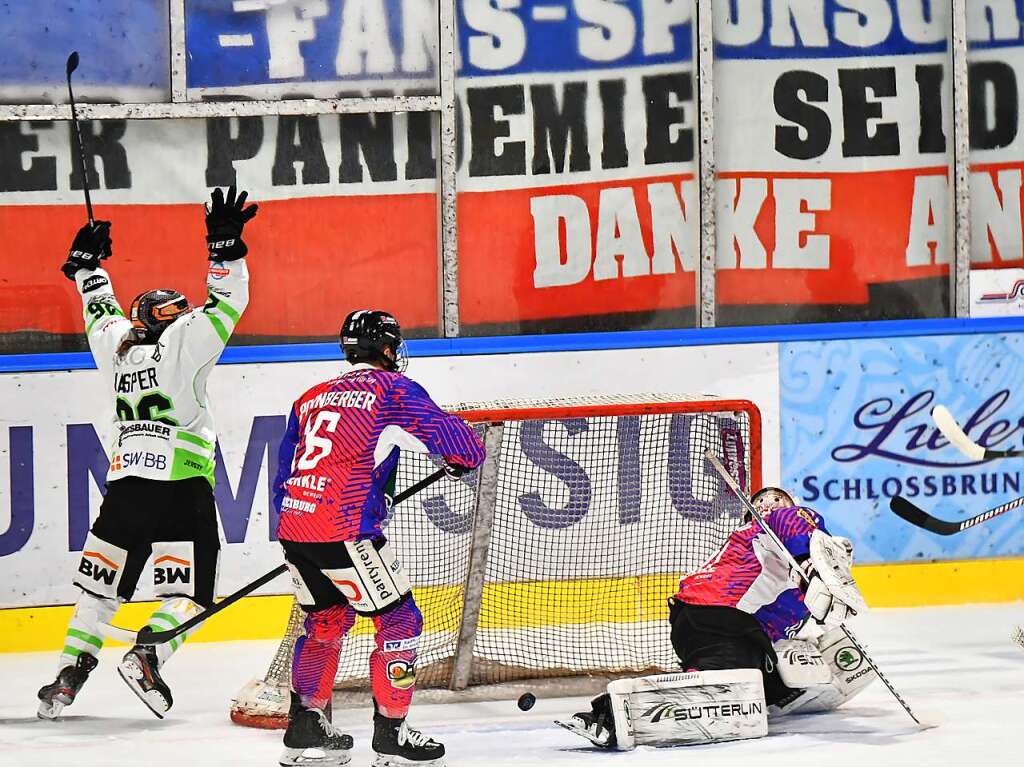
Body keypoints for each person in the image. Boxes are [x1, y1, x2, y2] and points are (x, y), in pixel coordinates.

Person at [37, 186, 258, 720]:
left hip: (125, 488)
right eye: (176, 308)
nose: (183, 311)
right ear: (168, 317)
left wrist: (88, 268)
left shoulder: (116, 346)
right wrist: (224, 248)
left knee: (101, 584)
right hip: (180, 487)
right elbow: (228, 302)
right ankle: (149, 652)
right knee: (195, 591)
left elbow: (99, 309)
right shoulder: (185, 338)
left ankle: (68, 674)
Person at [273, 309, 486, 767]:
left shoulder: (309, 397)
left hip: (295, 526)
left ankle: (305, 728)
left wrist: (300, 529)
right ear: (388, 349)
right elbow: (463, 446)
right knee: (400, 621)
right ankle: (392, 733)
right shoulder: (392, 390)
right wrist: (461, 459)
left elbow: (283, 471)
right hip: (345, 530)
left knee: (325, 623)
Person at [561, 486, 873, 749]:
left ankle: (739, 683)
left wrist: (824, 579)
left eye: (777, 498)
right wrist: (812, 561)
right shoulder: (773, 526)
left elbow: (777, 622)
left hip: (708, 620)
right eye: (762, 501)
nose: (769, 504)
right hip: (717, 615)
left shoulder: (776, 572)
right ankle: (611, 713)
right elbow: (795, 527)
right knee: (731, 679)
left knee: (760, 680)